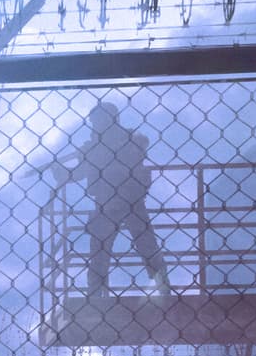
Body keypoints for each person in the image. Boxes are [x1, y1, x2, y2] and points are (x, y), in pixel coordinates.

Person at [54, 102, 171, 296]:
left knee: (146, 246)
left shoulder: (131, 138)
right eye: (94, 121)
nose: (96, 124)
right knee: (99, 251)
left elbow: (139, 146)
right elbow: (79, 173)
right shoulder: (93, 147)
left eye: (99, 120)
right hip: (105, 201)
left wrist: (98, 150)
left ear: (111, 118)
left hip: (131, 199)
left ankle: (163, 288)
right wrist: (62, 172)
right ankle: (96, 295)